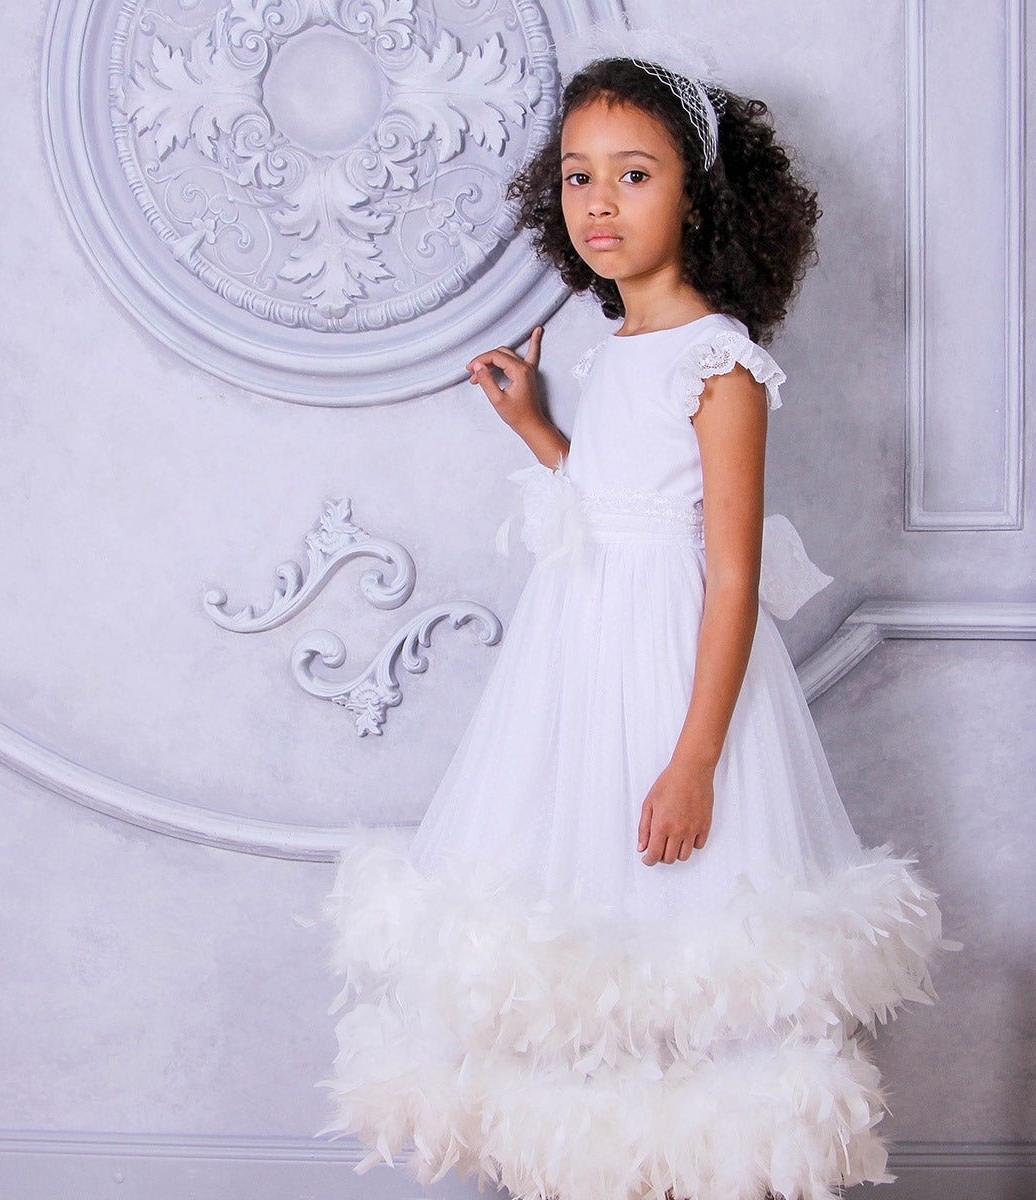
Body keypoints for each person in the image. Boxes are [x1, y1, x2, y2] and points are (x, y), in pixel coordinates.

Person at [309, 26, 959, 1200]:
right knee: (573, 945)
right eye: (578, 174)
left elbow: (730, 573)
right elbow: (611, 504)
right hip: (573, 670)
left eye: (634, 173)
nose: (598, 201)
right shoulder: (602, 342)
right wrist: (539, 432)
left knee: (681, 944)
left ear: (700, 200)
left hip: (670, 674)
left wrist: (697, 757)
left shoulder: (721, 362)